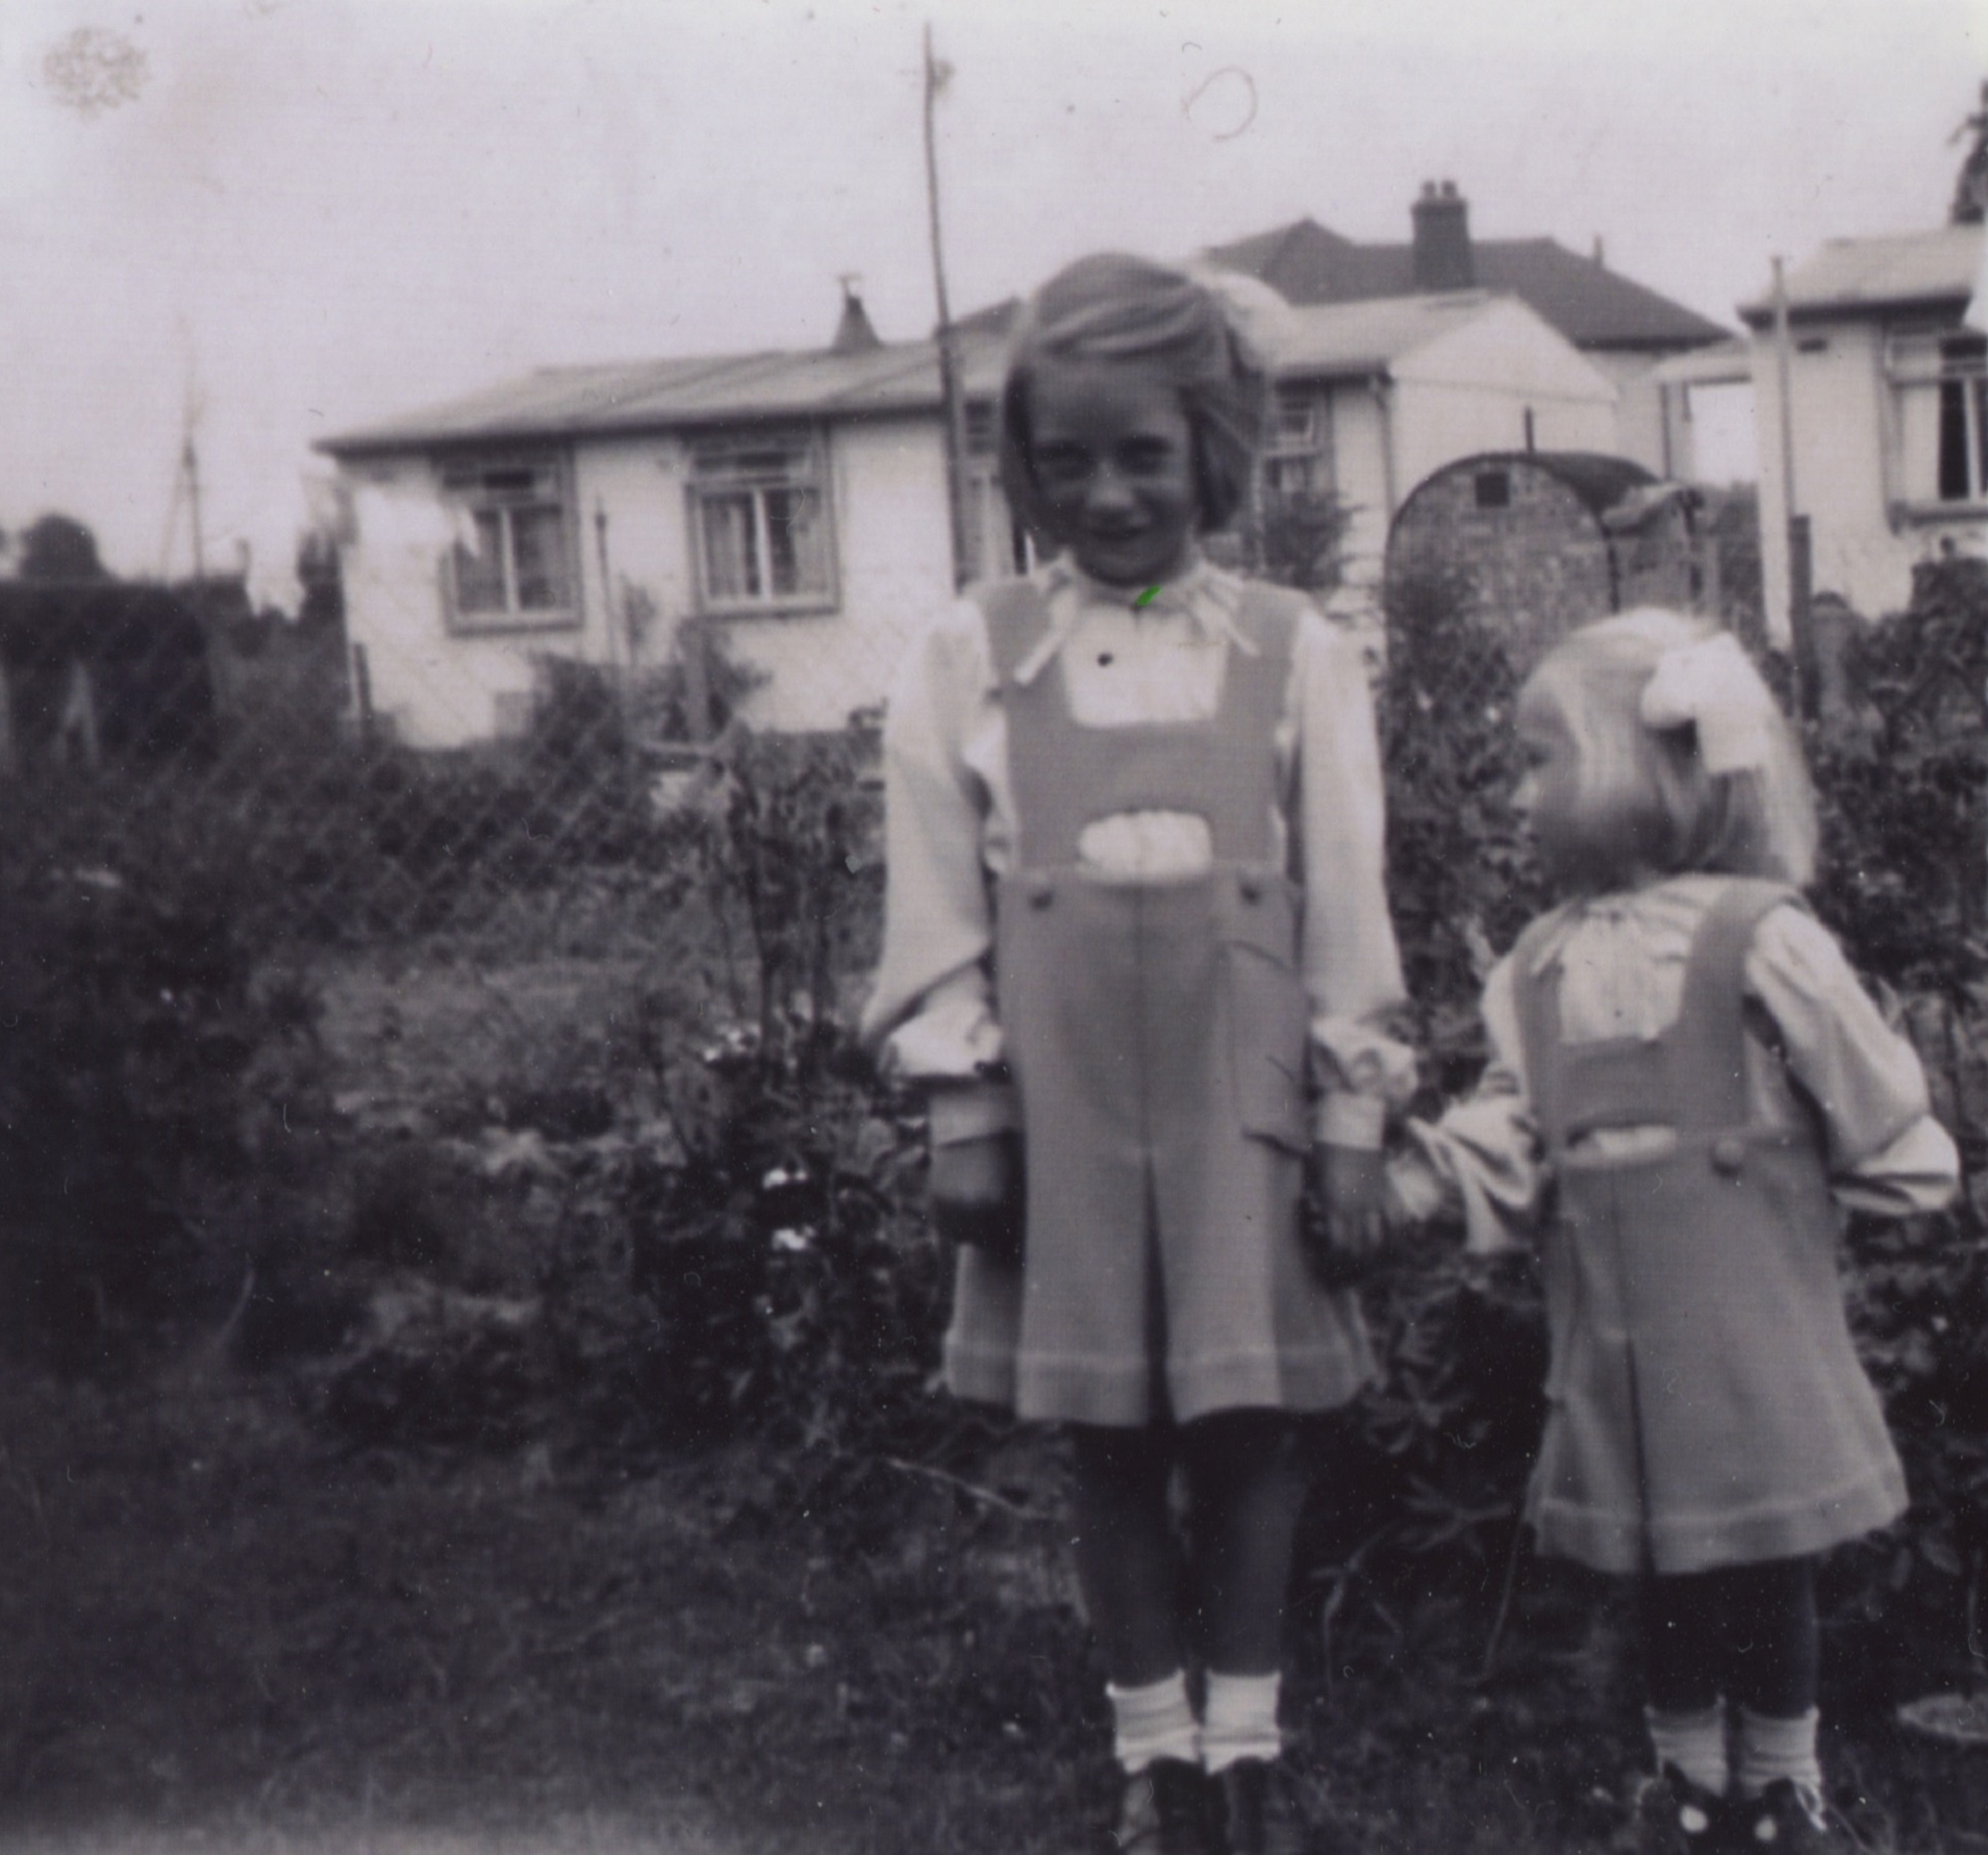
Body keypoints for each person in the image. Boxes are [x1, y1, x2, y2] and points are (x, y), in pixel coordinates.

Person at [861, 253, 1412, 1855]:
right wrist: (964, 1096)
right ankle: (1149, 1754)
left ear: (1212, 452)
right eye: (1064, 459)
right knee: (1107, 1434)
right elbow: (932, 895)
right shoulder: (975, 652)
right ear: (1020, 467)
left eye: (1142, 455)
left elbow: (1348, 900)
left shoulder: (1295, 648)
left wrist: (1355, 1109)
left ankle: (1246, 1749)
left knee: (1247, 1426)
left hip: (1241, 1098)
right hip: (1065, 1108)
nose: (1103, 493)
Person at [1385, 611, 1959, 1854]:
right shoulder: (1534, 968)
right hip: (1614, 1335)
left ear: (1632, 769)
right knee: (1665, 1567)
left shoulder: (1759, 940)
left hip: (1746, 1324)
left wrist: (1845, 1182)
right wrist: (1425, 1176)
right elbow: (1515, 1118)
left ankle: (1782, 1790)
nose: (1517, 792)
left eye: (1538, 760)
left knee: (1764, 1560)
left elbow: (1867, 1097)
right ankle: (1686, 1790)